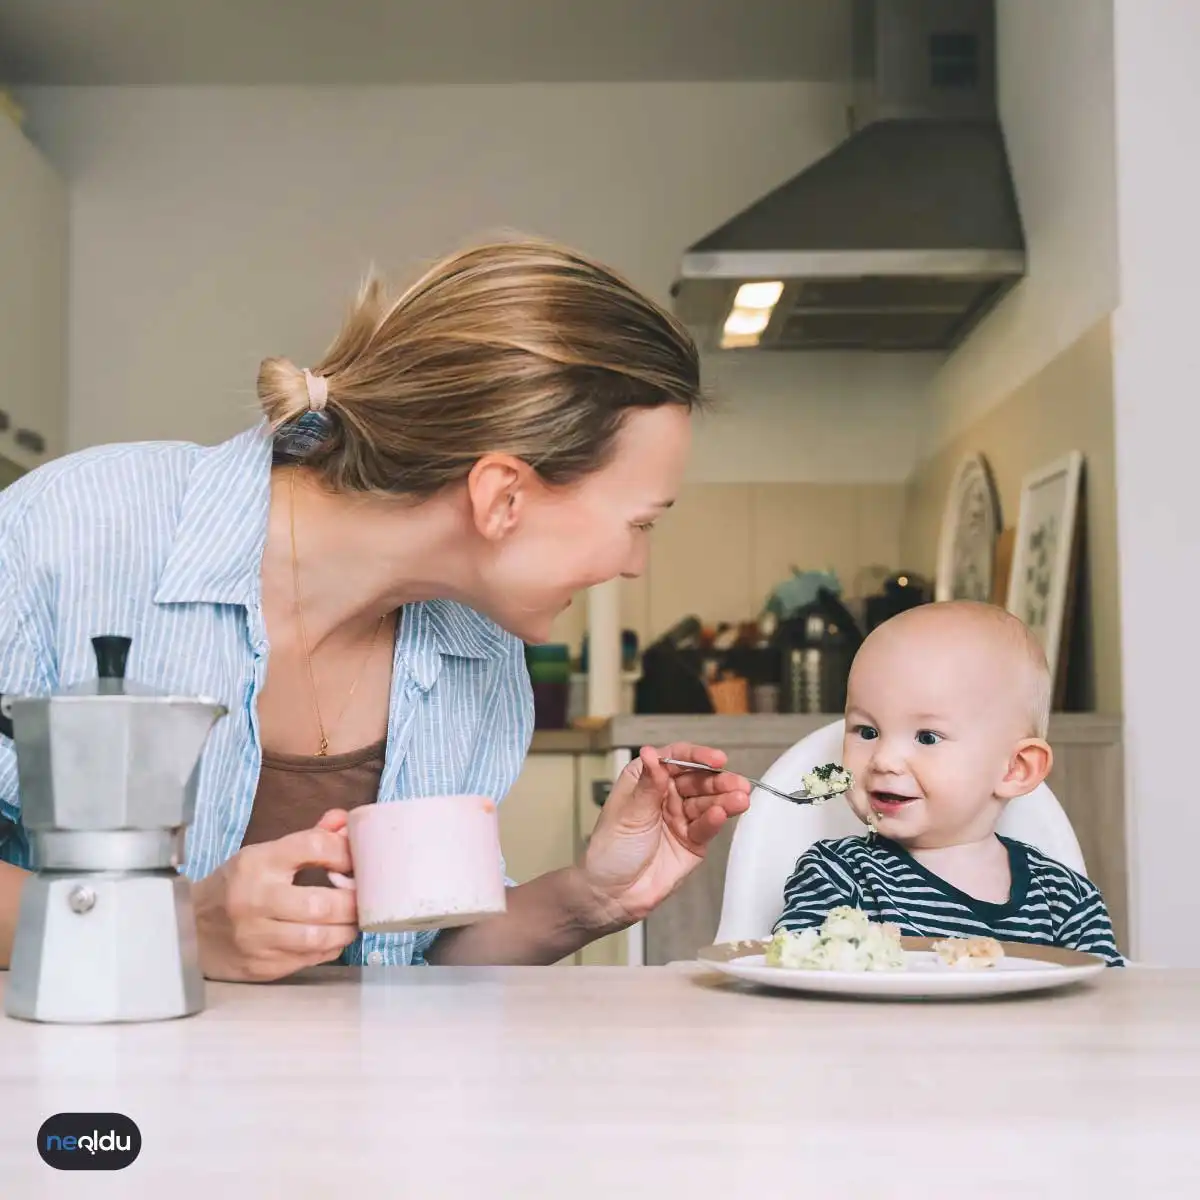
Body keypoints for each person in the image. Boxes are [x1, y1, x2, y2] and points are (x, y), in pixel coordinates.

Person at [0, 237, 752, 981]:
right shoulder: (72, 534)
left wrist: (592, 898)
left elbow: (421, 956)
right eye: (641, 522)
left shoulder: (480, 652)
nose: (635, 562)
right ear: (501, 496)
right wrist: (177, 928)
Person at [773, 601, 1123, 965]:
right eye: (867, 731)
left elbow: (1104, 1005)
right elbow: (797, 976)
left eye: (927, 737)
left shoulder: (1065, 901)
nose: (884, 760)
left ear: (1015, 769)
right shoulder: (837, 875)